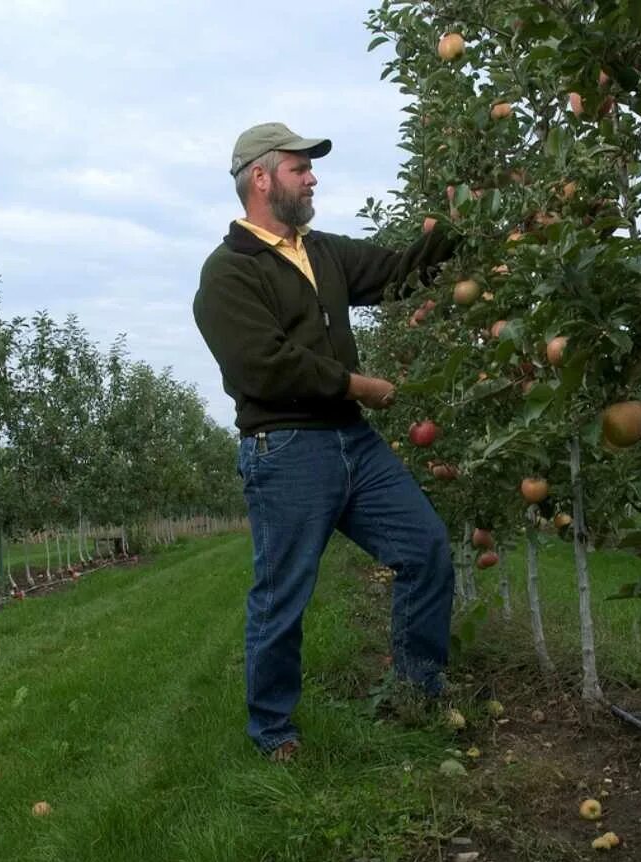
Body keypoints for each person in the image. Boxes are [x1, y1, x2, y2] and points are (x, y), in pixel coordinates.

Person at [193, 122, 459, 762]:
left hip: (353, 443)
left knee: (426, 551)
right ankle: (273, 733)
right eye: (299, 167)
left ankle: (415, 695)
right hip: (286, 450)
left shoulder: (324, 253)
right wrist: (355, 384)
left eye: (310, 168)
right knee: (283, 596)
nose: (312, 177)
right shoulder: (229, 272)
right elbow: (262, 364)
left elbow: (399, 272)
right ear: (261, 178)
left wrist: (459, 221)